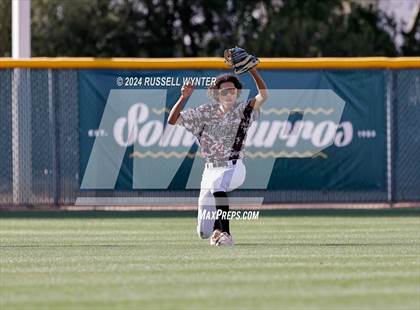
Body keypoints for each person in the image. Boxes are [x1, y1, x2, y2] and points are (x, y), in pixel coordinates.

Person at [167, 56, 267, 246]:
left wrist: (252, 70)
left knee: (218, 184)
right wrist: (183, 97)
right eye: (224, 91)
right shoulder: (204, 113)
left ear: (237, 93)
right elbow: (172, 120)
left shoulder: (243, 110)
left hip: (234, 167)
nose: (228, 94)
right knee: (203, 232)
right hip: (209, 170)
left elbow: (263, 95)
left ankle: (227, 234)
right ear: (217, 94)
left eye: (232, 90)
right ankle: (216, 230)